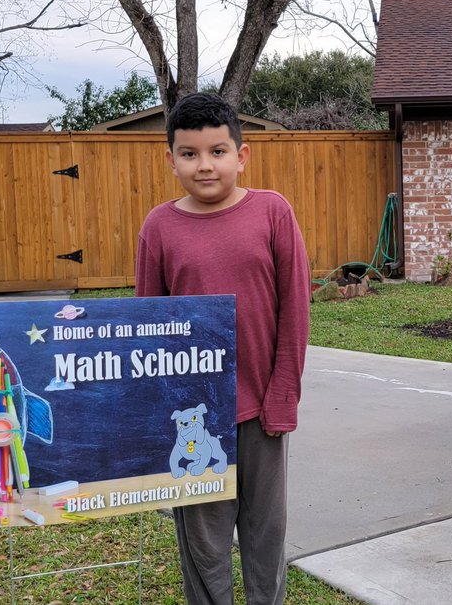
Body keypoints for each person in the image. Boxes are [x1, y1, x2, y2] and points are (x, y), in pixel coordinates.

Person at [135, 92, 310, 605]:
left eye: (217, 151)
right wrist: (158, 409)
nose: (204, 165)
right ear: (170, 159)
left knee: (264, 534)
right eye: (189, 154)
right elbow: (150, 326)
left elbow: (294, 310)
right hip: (193, 418)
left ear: (242, 154)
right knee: (203, 545)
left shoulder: (273, 213)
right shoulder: (159, 227)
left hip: (260, 408)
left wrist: (283, 394)